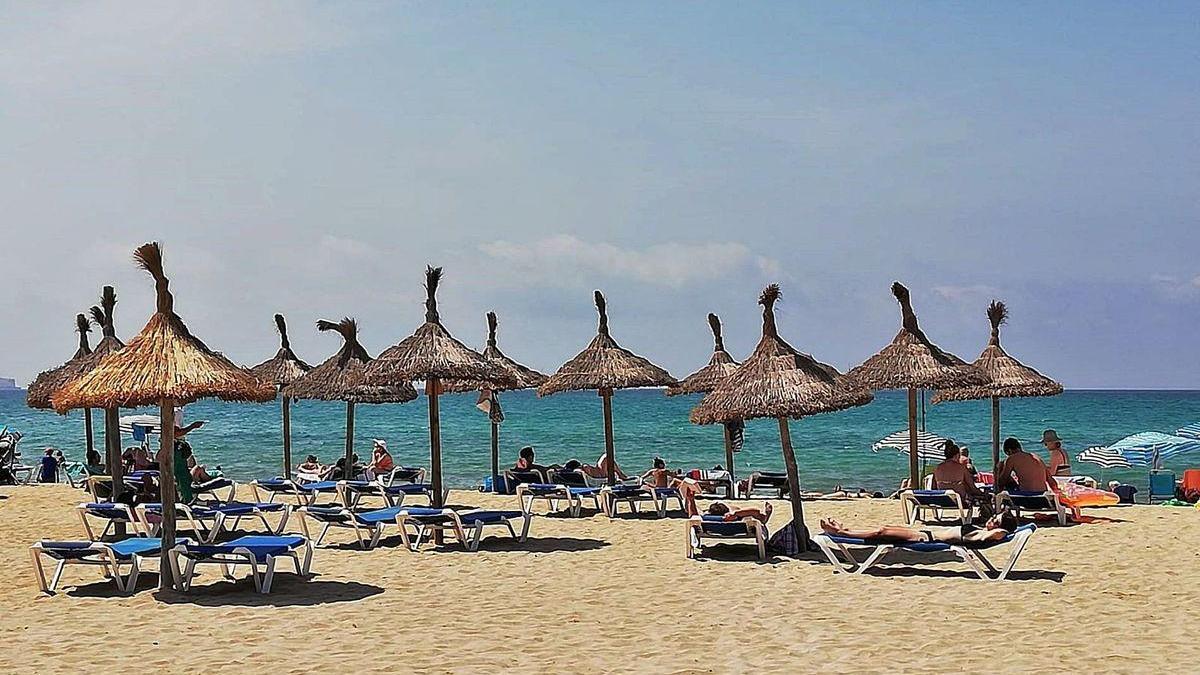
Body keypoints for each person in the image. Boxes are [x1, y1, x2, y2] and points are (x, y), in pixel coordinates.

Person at [820, 510, 1020, 546]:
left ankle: (841, 532)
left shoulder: (982, 535)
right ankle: (845, 530)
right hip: (922, 534)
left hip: (923, 539)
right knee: (884, 528)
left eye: (996, 519)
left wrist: (1000, 531)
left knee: (881, 532)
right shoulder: (981, 530)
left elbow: (997, 534)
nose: (991, 520)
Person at [932, 440, 993, 516]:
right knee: (986, 496)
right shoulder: (961, 468)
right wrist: (983, 494)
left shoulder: (937, 468)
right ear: (957, 455)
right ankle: (987, 516)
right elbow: (972, 487)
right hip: (960, 501)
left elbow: (933, 488)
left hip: (942, 500)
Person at [676, 477, 772, 523]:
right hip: (735, 524)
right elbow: (755, 511)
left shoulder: (705, 518)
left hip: (712, 525)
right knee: (736, 508)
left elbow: (693, 515)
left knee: (699, 511)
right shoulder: (736, 518)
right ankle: (764, 517)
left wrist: (691, 499)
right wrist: (736, 514)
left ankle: (688, 501)